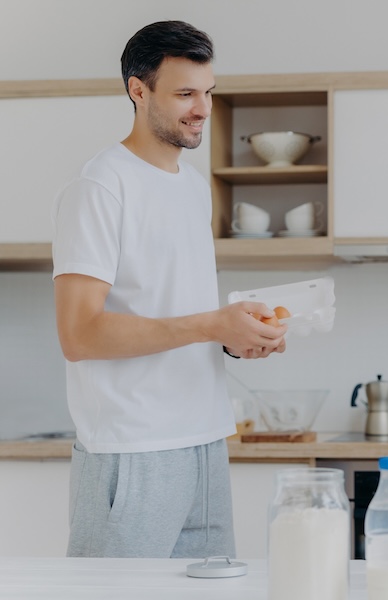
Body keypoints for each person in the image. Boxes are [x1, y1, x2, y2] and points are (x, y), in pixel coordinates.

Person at [51, 21, 287, 558]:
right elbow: (79, 334)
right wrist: (210, 324)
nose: (202, 108)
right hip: (132, 450)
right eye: (184, 93)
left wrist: (235, 336)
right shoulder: (99, 187)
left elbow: (177, 310)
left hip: (204, 440)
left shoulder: (192, 187)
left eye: (207, 92)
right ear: (139, 91)